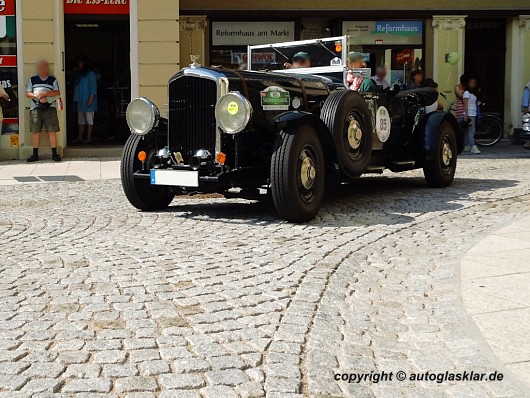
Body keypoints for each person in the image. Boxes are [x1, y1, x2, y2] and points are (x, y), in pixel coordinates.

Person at [25, 60, 61, 162]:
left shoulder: (52, 79)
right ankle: (35, 154)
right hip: (35, 107)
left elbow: (56, 91)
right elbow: (28, 93)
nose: (42, 69)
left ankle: (54, 154)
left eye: (44, 67)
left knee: (52, 130)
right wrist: (38, 96)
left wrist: (44, 94)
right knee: (35, 131)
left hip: (50, 107)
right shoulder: (33, 79)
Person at [72, 55, 98, 144]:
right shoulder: (79, 75)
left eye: (80, 63)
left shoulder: (91, 74)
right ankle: (80, 137)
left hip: (88, 101)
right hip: (80, 101)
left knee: (89, 119)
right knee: (81, 120)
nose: (79, 65)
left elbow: (93, 87)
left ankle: (89, 137)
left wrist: (90, 99)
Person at [463, 77, 481, 154]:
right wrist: (466, 115)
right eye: (471, 82)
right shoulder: (466, 93)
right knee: (471, 131)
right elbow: (466, 104)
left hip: (473, 112)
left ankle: (467, 145)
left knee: (468, 131)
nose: (473, 84)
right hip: (470, 113)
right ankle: (473, 146)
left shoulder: (472, 93)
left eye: (474, 83)